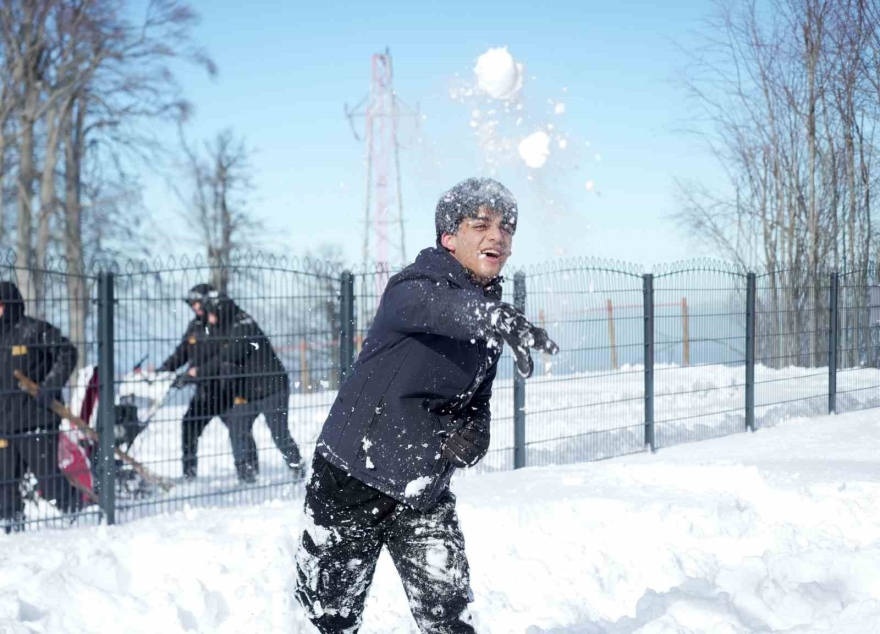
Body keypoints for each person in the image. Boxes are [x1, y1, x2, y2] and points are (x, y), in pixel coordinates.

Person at [294, 177, 559, 633]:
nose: (498, 236)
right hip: (351, 479)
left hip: (423, 487)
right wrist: (494, 318)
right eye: (482, 225)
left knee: (451, 621)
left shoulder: (488, 319)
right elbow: (441, 309)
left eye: (506, 228)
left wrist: (476, 433)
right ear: (449, 238)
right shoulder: (413, 287)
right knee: (330, 622)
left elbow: (477, 399)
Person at [0, 281, 81, 532]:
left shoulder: (34, 330)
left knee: (47, 477)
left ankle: (77, 513)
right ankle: (11, 525)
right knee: (4, 480)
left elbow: (67, 353)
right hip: (4, 423)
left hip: (35, 419)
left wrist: (50, 387)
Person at [197, 290, 302, 483]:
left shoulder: (243, 326)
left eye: (211, 314)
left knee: (279, 435)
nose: (209, 320)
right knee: (237, 428)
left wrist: (197, 373)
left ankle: (299, 471)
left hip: (272, 388)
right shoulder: (223, 326)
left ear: (221, 310)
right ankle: (247, 477)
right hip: (248, 392)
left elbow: (226, 357)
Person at [158, 283, 257, 481]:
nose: (196, 308)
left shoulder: (223, 325)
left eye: (198, 303)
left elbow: (221, 358)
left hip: (225, 390)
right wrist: (163, 372)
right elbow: (181, 353)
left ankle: (250, 470)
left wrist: (196, 373)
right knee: (189, 426)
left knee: (239, 430)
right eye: (192, 305)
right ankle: (189, 474)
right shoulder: (194, 327)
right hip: (204, 393)